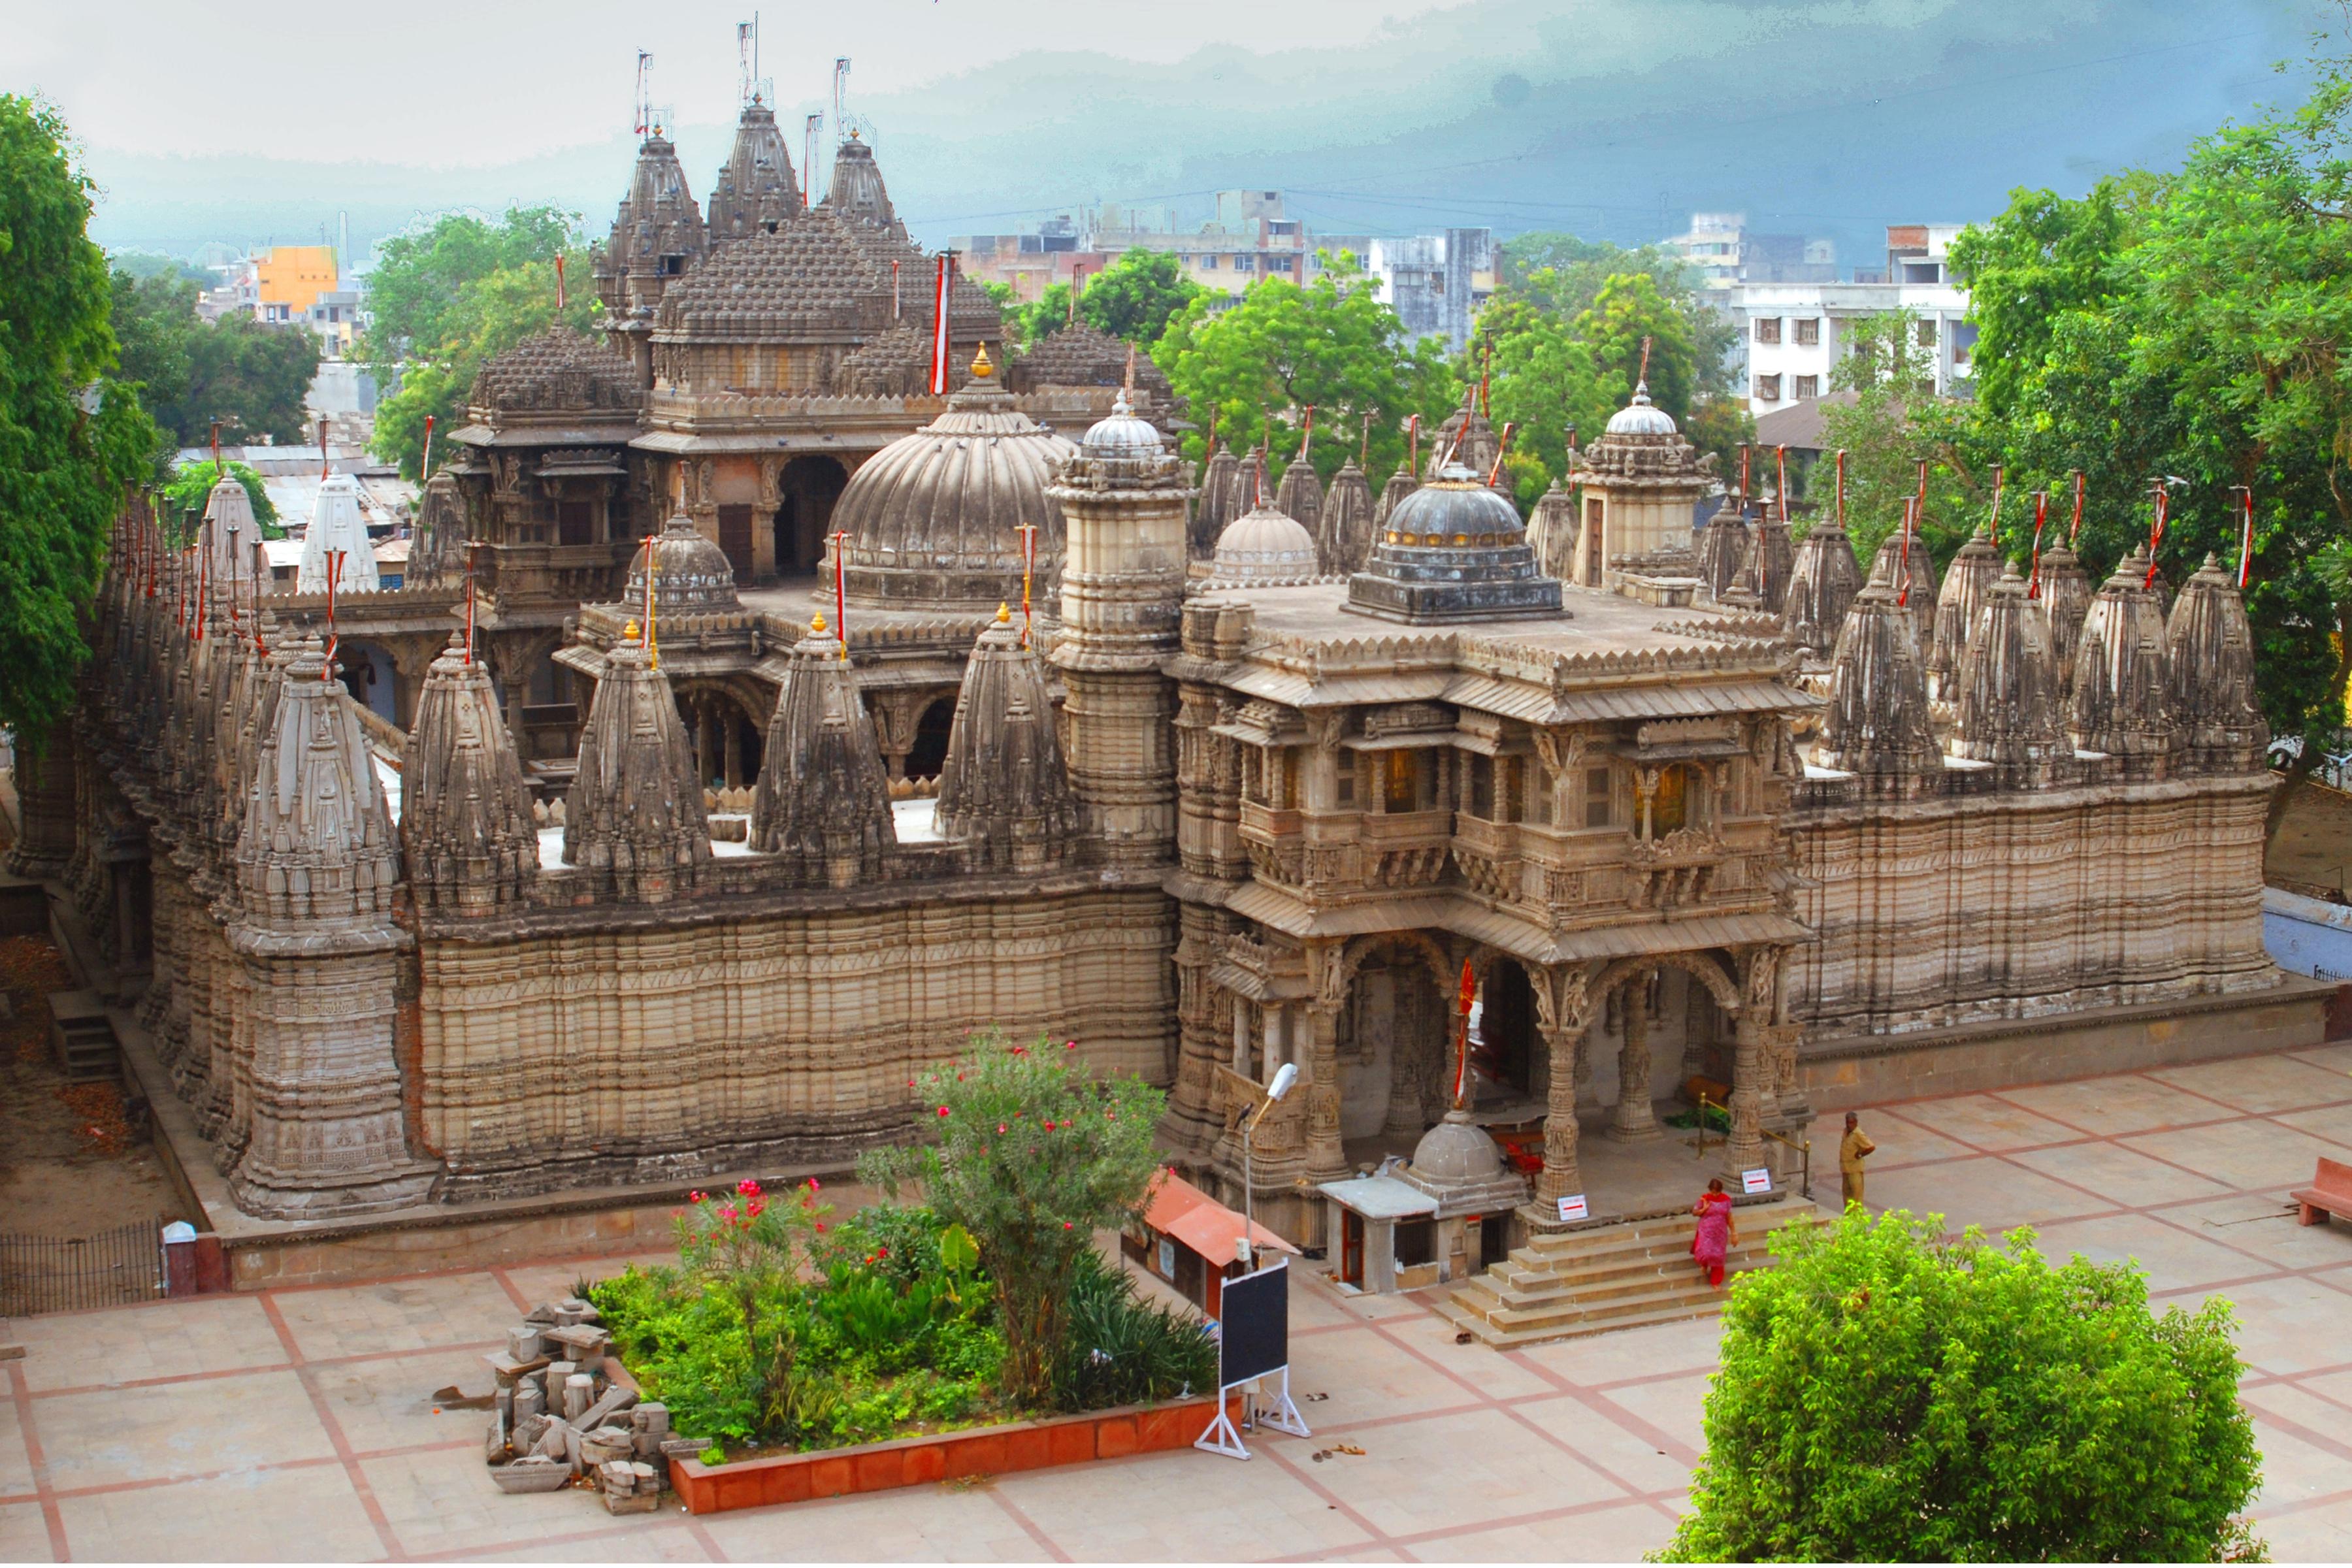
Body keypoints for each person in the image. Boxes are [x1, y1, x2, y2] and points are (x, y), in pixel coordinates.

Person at [1690, 1177, 1738, 1288]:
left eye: (1717, 1192)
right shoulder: (1704, 1199)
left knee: (1718, 1256)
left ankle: (1716, 1281)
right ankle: (1705, 1264)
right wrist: (1704, 1209)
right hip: (1706, 1231)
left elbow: (1729, 1217)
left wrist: (1734, 1233)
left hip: (1720, 1232)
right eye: (1713, 1192)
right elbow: (1694, 1212)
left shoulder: (1726, 1200)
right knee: (1707, 1253)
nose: (1715, 1195)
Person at [1840, 1112, 1876, 1211]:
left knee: (1856, 1195)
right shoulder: (1846, 1132)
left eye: (1851, 1123)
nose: (1849, 1125)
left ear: (1856, 1123)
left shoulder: (1858, 1134)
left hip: (1855, 1169)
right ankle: (1849, 1217)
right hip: (1845, 1168)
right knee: (1847, 1194)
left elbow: (1871, 1147)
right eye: (1848, 1123)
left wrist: (1860, 1155)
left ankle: (1857, 1219)